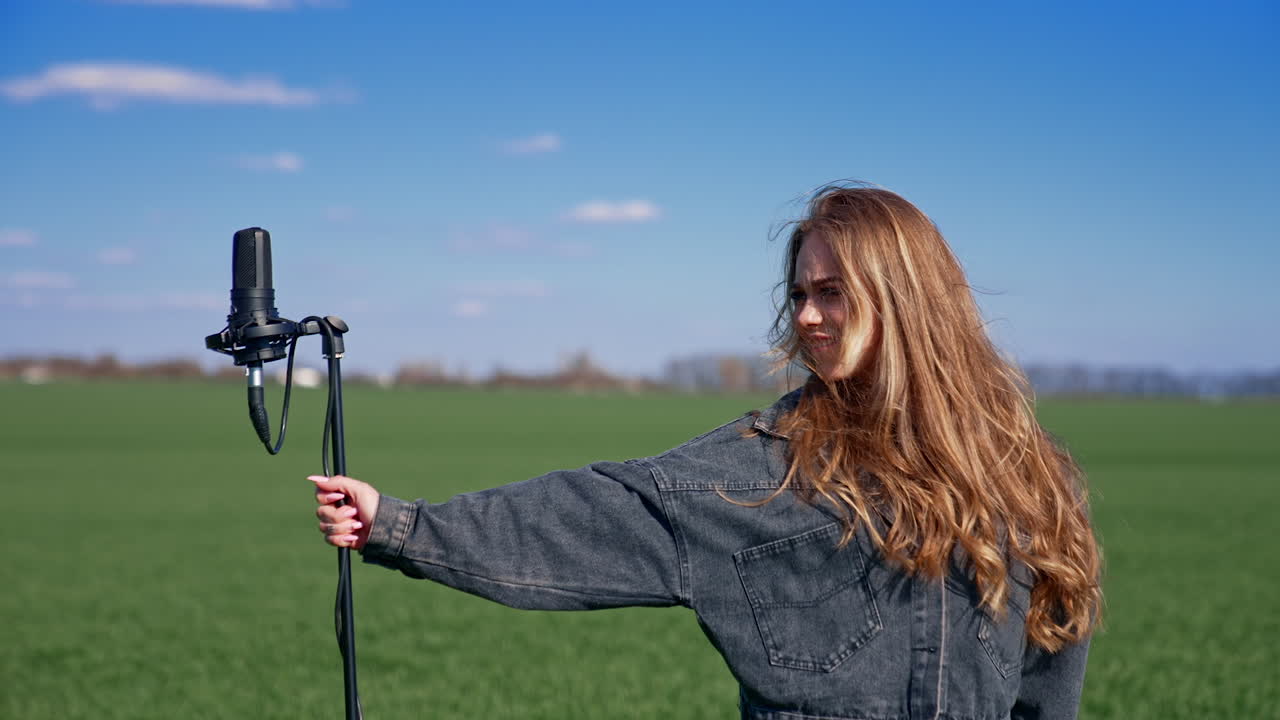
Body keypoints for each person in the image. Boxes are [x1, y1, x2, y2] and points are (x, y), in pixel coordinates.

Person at [310, 184, 1102, 720]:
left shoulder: (1027, 478)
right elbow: (597, 514)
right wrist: (403, 525)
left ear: (907, 299)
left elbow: (1050, 677)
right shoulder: (767, 469)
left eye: (833, 291)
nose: (809, 316)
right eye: (799, 293)